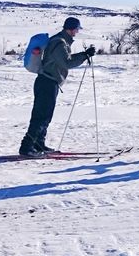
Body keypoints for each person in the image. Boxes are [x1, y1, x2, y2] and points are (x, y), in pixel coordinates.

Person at [18, 17, 95, 157]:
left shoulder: (61, 41)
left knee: (45, 115)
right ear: (71, 29)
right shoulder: (59, 42)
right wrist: (84, 55)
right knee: (41, 116)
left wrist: (84, 55)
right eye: (77, 29)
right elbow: (66, 62)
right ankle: (26, 147)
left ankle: (38, 144)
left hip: (49, 82)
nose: (77, 32)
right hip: (47, 82)